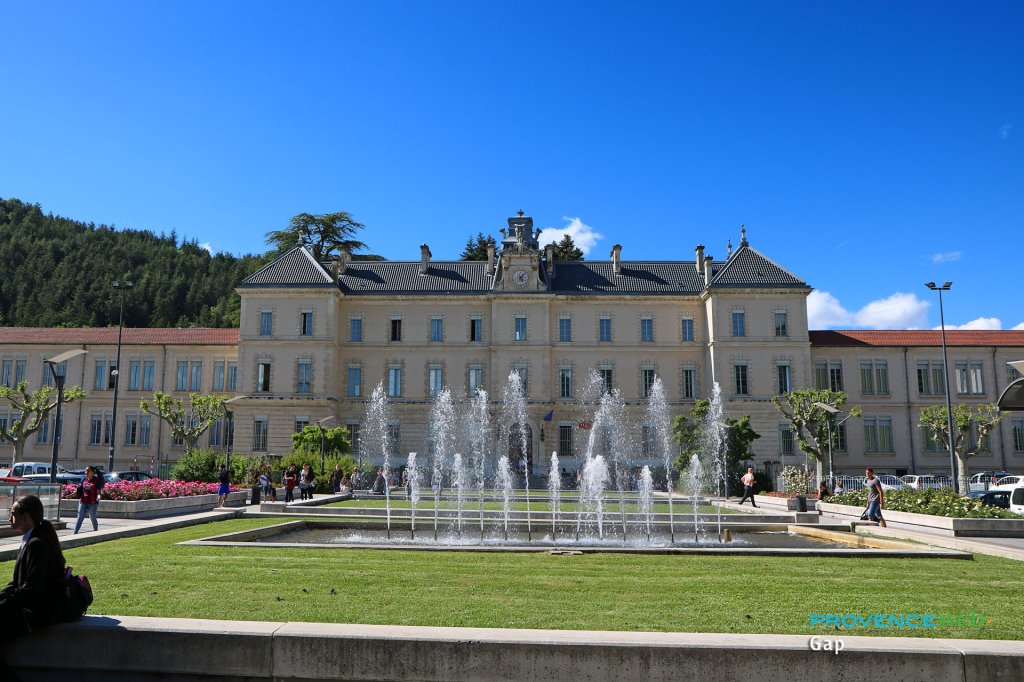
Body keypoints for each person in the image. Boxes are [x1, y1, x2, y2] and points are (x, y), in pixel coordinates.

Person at [1, 495, 69, 680]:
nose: (10, 518)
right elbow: (18, 583)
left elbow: (31, 588)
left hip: (37, 613)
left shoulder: (36, 544)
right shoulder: (33, 539)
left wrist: (4, 605)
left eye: (13, 514)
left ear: (26, 517)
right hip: (31, 607)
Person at [73, 466, 101, 534]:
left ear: (92, 472)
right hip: (83, 501)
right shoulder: (84, 479)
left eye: (88, 471)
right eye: (86, 471)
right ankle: (75, 532)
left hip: (93, 502)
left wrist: (98, 497)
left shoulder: (96, 480)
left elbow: (99, 492)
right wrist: (71, 495)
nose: (86, 472)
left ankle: (96, 532)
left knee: (92, 517)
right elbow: (79, 490)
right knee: (80, 517)